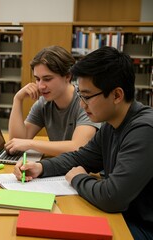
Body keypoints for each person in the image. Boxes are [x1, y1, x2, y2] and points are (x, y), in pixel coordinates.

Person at [14, 46, 153, 239]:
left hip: (141, 227)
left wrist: (78, 178)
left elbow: (112, 197)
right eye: (80, 95)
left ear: (117, 95)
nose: (81, 104)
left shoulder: (144, 130)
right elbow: (81, 157)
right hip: (121, 217)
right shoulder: (111, 125)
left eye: (87, 96)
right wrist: (40, 167)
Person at [6, 45, 100, 156]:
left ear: (67, 76)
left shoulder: (85, 102)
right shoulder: (43, 103)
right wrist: (17, 99)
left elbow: (78, 147)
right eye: (37, 79)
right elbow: (16, 143)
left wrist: (30, 144)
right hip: (61, 166)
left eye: (47, 79)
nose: (40, 86)